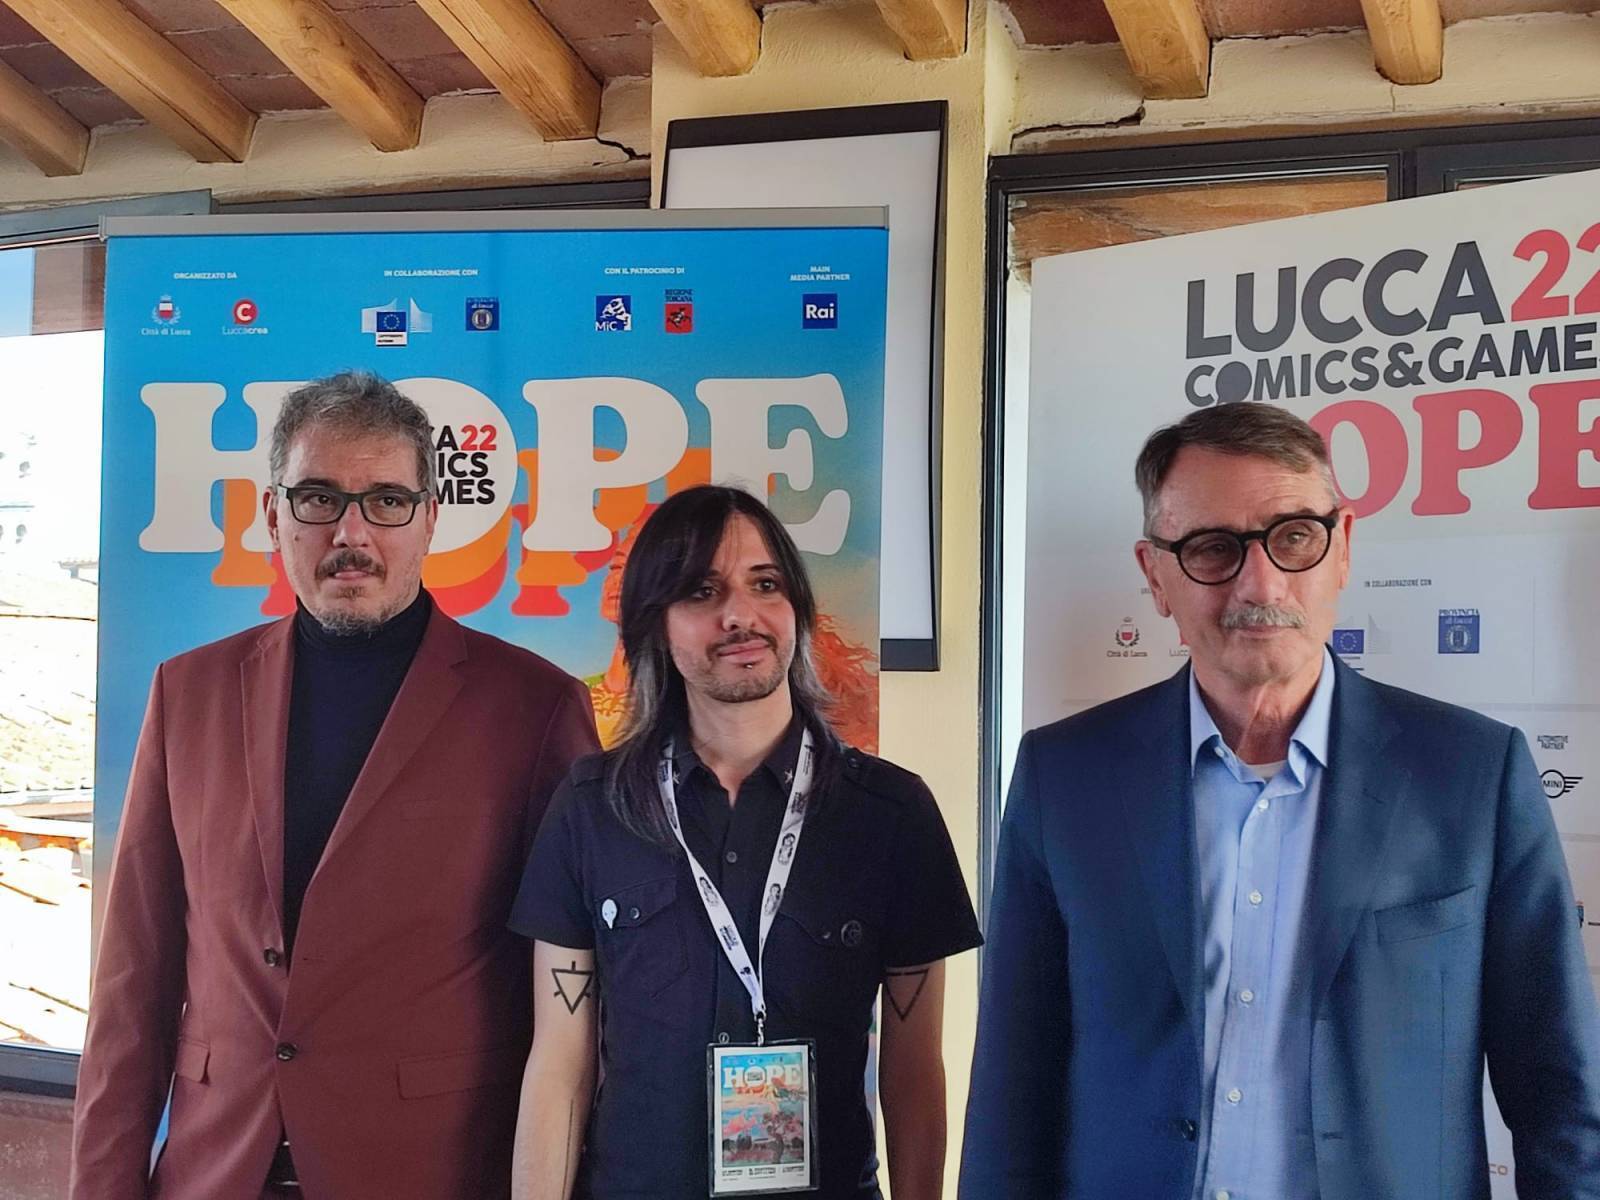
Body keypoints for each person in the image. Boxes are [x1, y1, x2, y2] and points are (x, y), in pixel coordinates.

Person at [960, 402, 1600, 1200]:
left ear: (1343, 547)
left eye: (1294, 537)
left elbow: (1560, 1092)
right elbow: (1012, 1087)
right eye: (1212, 548)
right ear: (1155, 576)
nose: (1260, 584)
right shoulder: (1065, 776)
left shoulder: (1473, 775)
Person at [71, 371, 599, 1200]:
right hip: (215, 1172)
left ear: (430, 517)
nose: (351, 532)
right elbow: (134, 978)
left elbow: (571, 1002)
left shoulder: (534, 707)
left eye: (386, 501)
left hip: (433, 1173)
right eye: (318, 498)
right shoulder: (189, 693)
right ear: (272, 514)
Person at [509, 484, 980, 1199]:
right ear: (655, 623)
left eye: (765, 585)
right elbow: (558, 1066)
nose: (740, 615)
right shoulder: (591, 807)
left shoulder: (892, 813)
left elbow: (914, 1071)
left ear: (796, 608)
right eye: (702, 592)